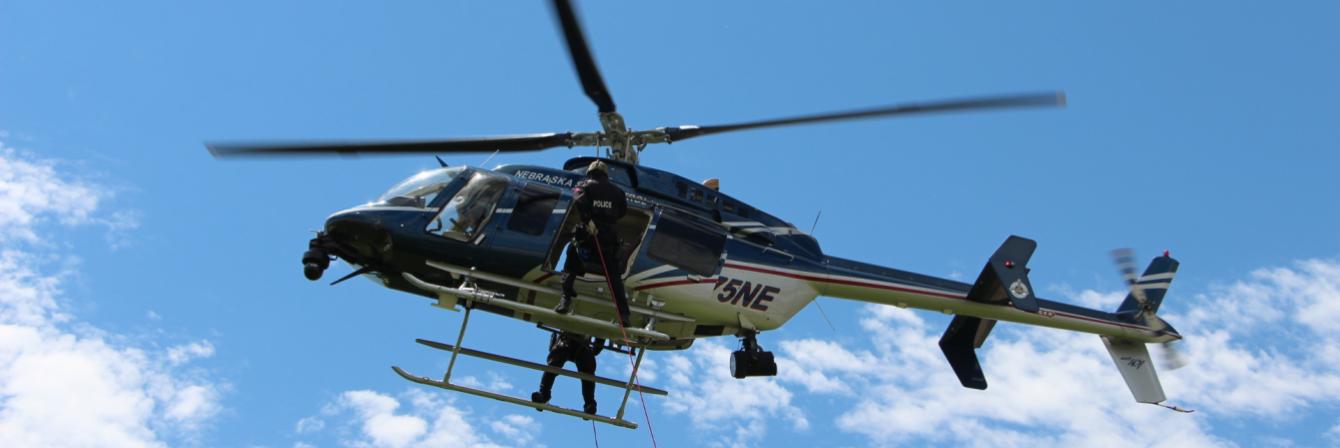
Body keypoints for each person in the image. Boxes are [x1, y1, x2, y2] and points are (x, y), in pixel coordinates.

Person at [554, 160, 632, 327]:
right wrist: (608, 220)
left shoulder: (584, 185)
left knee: (571, 259)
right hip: (608, 239)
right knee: (614, 278)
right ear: (606, 175)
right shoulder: (618, 192)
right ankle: (624, 315)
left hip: (588, 236)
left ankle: (565, 299)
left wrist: (589, 220)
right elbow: (622, 211)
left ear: (589, 173)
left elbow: (578, 199)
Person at [531, 332, 605, 415]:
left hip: (582, 345)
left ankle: (589, 404)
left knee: (587, 370)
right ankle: (543, 395)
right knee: (554, 363)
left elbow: (601, 331)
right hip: (565, 341)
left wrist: (596, 348)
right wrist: (596, 347)